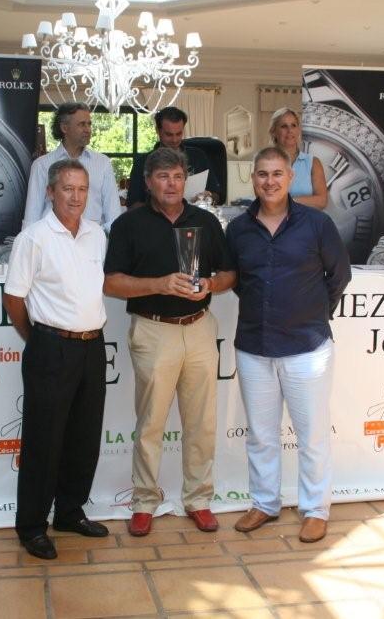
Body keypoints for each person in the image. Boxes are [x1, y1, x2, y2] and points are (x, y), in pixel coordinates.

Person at [104, 146, 236, 536]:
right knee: (150, 424)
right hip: (153, 329)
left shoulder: (205, 221)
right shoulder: (128, 225)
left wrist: (211, 284)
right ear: (148, 183)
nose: (171, 184)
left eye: (177, 177)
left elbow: (229, 274)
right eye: (163, 177)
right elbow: (112, 283)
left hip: (199, 327)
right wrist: (159, 284)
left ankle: (198, 499)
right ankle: (145, 501)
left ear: (185, 180)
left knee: (201, 423)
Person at [225, 146, 350, 544]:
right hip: (254, 346)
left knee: (311, 435)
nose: (270, 181)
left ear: (290, 178)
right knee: (261, 435)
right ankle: (264, 503)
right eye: (262, 174)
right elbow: (238, 280)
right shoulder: (238, 229)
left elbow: (340, 275)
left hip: (307, 347)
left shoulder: (317, 224)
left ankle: (315, 510)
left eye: (277, 174)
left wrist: (314, 312)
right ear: (253, 179)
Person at [3, 159, 110, 560]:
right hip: (50, 347)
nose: (75, 197)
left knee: (84, 437)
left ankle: (69, 512)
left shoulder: (97, 235)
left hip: (92, 347)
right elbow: (13, 298)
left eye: (82, 189)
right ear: (50, 192)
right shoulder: (33, 238)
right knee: (44, 441)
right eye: (67, 188)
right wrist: (38, 340)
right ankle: (32, 526)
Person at [23, 102, 122, 231]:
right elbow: (31, 218)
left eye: (89, 124)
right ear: (64, 128)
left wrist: (99, 238)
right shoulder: (41, 165)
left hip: (92, 239)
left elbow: (113, 216)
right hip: (51, 240)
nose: (88, 129)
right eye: (82, 124)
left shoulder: (103, 163)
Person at [127, 106, 221, 207]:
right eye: (169, 134)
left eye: (179, 134)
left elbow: (217, 195)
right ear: (158, 131)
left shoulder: (198, 156)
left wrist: (208, 197)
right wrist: (158, 207)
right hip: (155, 216)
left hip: (194, 214)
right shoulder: (142, 162)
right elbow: (132, 204)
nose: (174, 140)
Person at [269, 107, 328, 209]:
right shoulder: (265, 163)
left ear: (298, 130)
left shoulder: (313, 162)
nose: (290, 130)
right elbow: (264, 201)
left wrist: (289, 202)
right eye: (284, 126)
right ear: (274, 132)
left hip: (307, 219)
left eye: (293, 125)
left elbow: (322, 201)